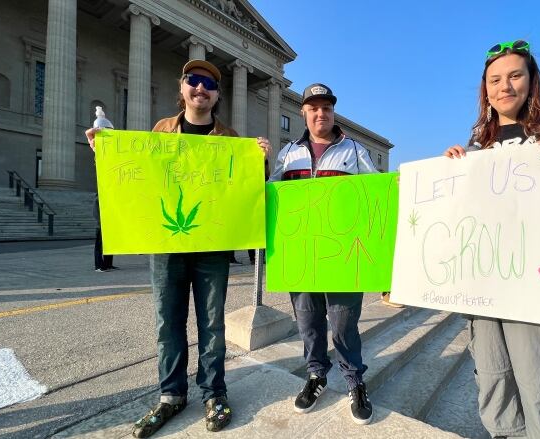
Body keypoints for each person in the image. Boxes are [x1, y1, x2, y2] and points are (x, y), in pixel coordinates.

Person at [86, 59, 271, 438]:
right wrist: (104, 153)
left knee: (212, 323)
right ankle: (171, 395)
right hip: (167, 244)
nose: (200, 88)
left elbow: (245, 196)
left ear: (217, 95)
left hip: (212, 248)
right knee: (167, 323)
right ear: (182, 87)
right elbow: (139, 179)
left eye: (208, 83)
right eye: (194, 80)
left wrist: (261, 163)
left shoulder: (232, 140)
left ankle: (213, 393)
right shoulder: (160, 131)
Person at [443, 40, 540, 438]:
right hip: (490, 290)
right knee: (495, 382)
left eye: (514, 75)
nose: (504, 86)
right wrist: (449, 173)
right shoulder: (478, 145)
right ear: (485, 89)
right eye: (495, 79)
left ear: (531, 81)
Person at [268, 83, 377, 425]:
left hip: (342, 255)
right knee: (308, 321)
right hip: (301, 254)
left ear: (333, 112)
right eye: (313, 108)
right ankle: (316, 375)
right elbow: (271, 194)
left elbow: (374, 192)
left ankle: (354, 379)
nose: (320, 113)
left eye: (326, 108)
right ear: (304, 112)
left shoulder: (354, 150)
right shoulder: (289, 153)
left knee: (344, 322)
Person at [93, 194, 116, 272]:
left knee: (109, 246)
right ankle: (98, 266)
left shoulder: (107, 197)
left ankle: (108, 264)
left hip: (109, 225)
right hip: (101, 226)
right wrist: (102, 223)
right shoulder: (98, 198)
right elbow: (96, 214)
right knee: (99, 247)